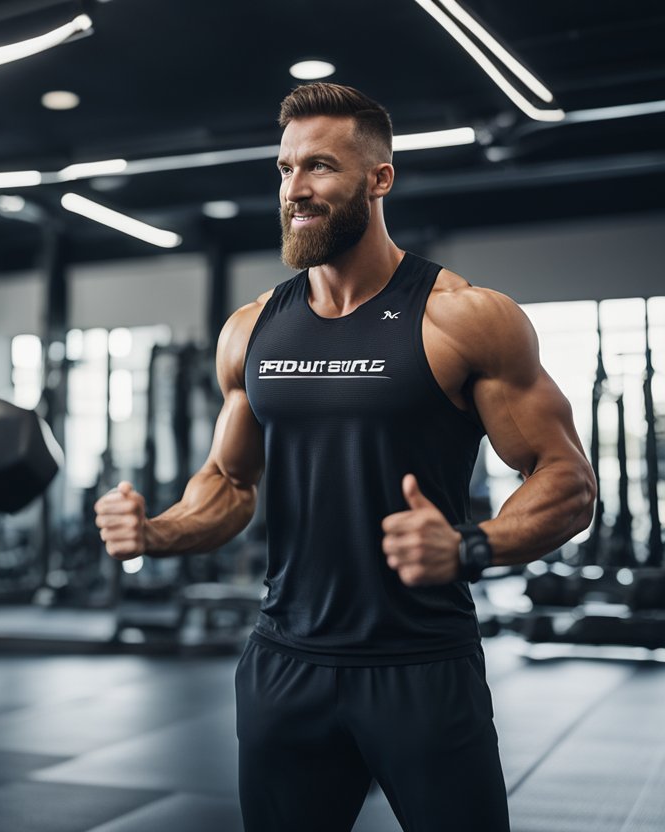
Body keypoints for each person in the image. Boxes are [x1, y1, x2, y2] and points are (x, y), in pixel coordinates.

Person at [94, 83, 596, 832]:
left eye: (320, 167)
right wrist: (157, 532)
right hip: (284, 662)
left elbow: (568, 482)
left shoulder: (462, 317)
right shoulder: (253, 329)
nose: (296, 188)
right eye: (285, 168)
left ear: (379, 178)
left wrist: (469, 546)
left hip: (421, 666)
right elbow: (231, 481)